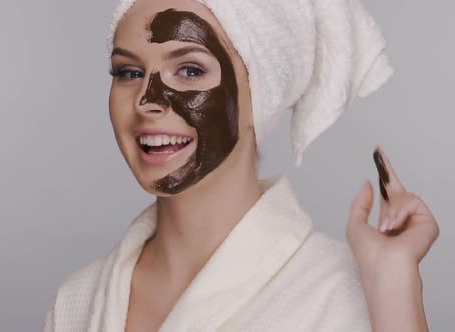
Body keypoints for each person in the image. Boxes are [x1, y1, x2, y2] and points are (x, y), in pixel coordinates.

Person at [44, 0, 440, 331]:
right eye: (128, 72)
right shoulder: (77, 303)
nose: (147, 99)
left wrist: (394, 290)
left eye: (189, 70)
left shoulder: (337, 296)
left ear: (259, 95)